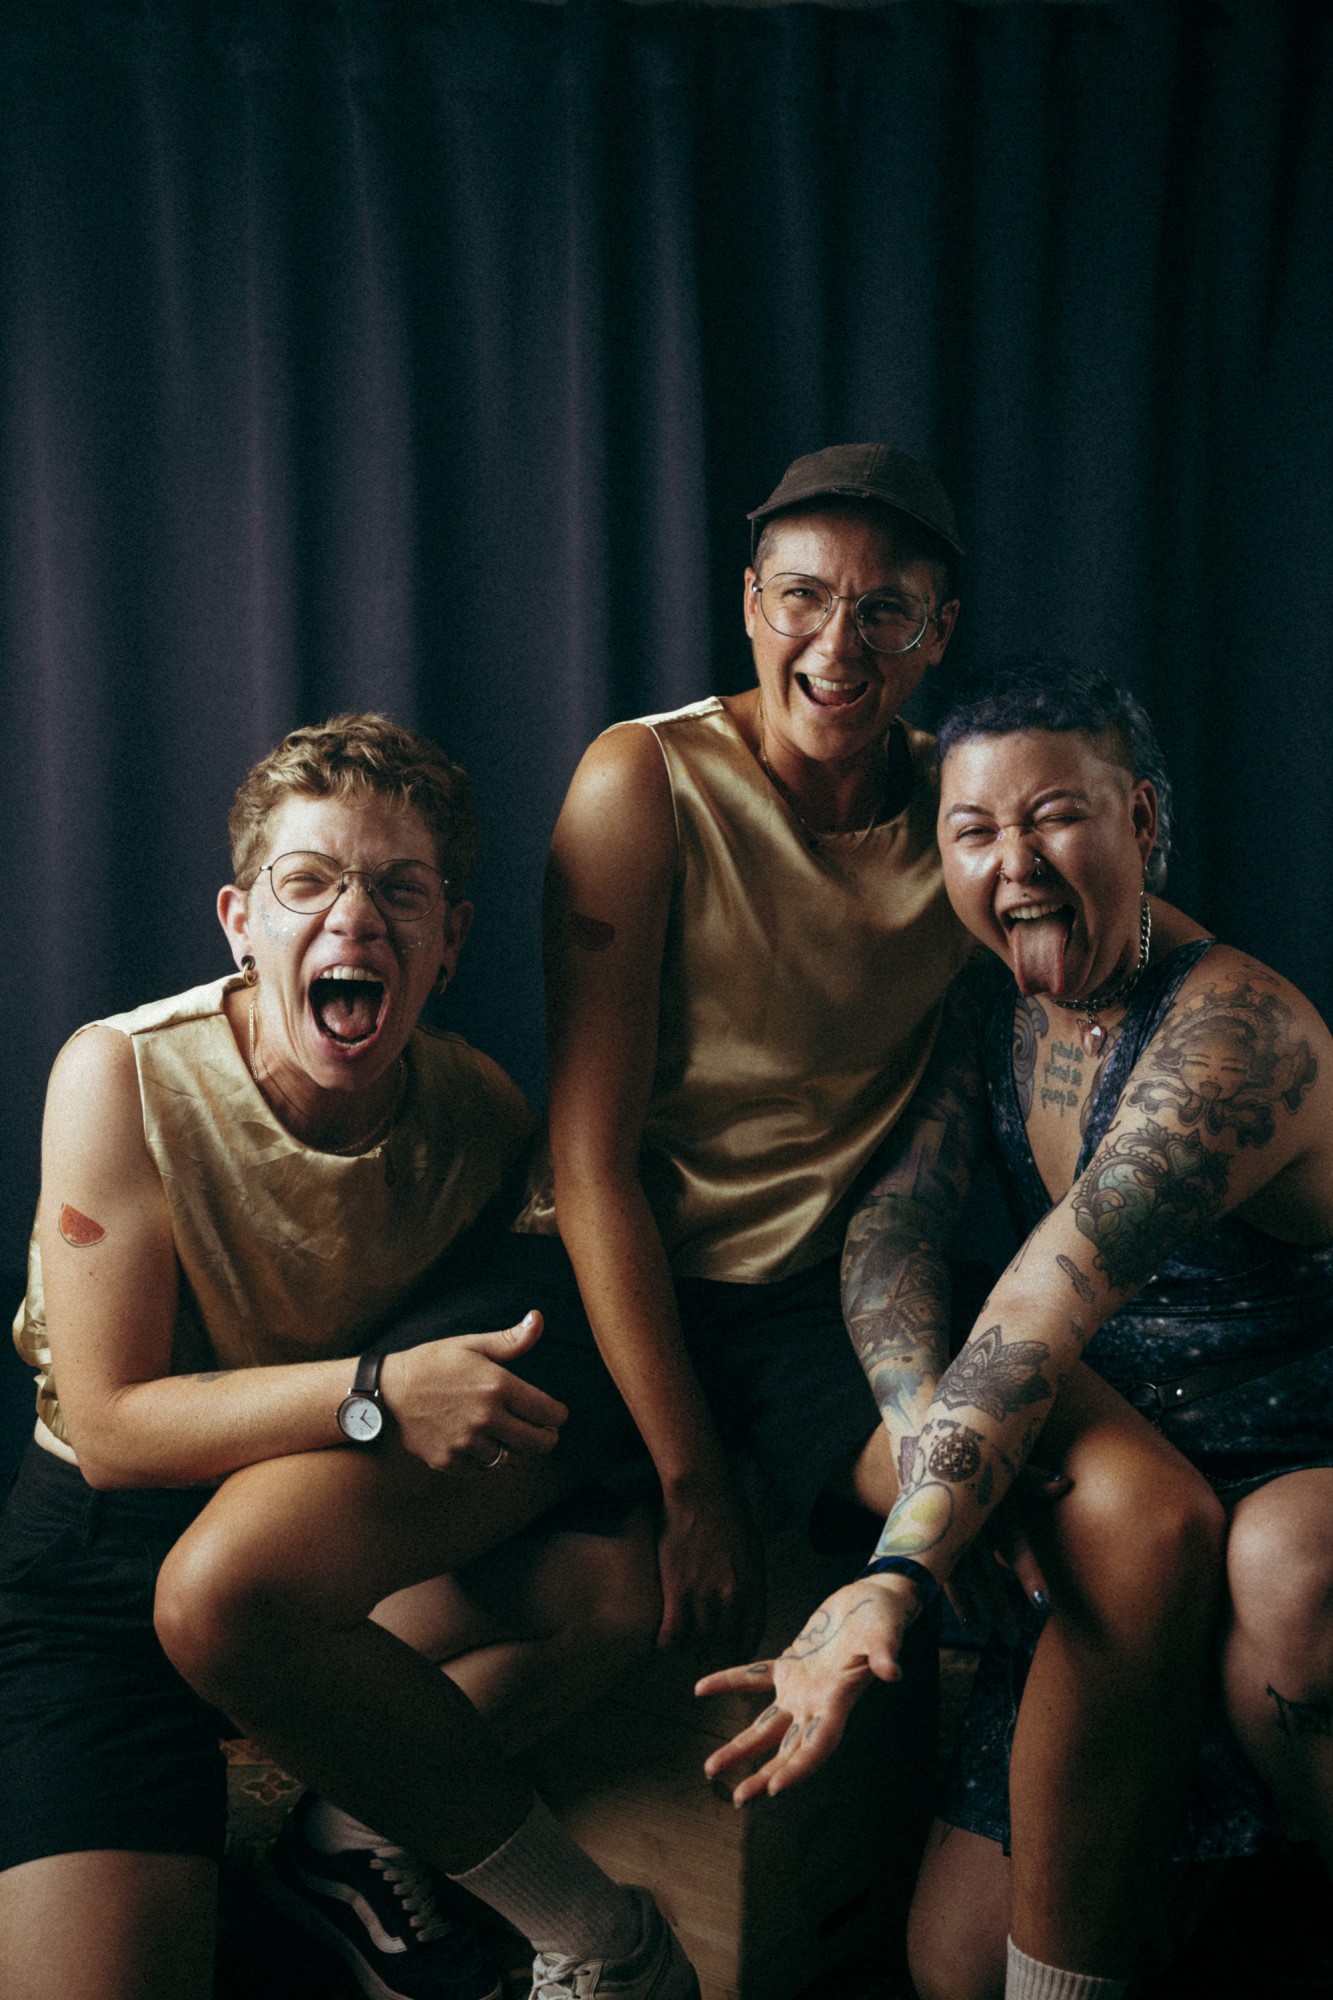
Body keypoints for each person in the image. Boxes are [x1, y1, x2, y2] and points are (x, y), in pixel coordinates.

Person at [0, 713, 694, 2000]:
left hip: (304, 1544)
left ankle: (349, 1838)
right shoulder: (120, 1074)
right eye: (308, 879)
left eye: (399, 889)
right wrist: (374, 1393)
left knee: (611, 1584)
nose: (354, 917)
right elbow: (108, 1427)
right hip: (99, 1569)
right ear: (239, 921)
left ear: (451, 938)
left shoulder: (475, 1107)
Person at [699, 663, 1333, 2000]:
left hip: (1294, 1459)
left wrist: (900, 1569)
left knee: (1286, 1572)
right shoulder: (989, 1006)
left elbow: (1043, 1298)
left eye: (1054, 817)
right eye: (974, 830)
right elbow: (891, 1231)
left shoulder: (1235, 1032)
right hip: (1131, 1484)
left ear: (1142, 820)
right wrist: (926, 1440)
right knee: (953, 1968)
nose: (1015, 863)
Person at [531, 442, 974, 1653]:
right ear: (748, 603)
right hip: (616, 1265)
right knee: (304, 1563)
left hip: (811, 1302)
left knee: (1003, 1500)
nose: (837, 646)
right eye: (802, 597)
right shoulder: (644, 778)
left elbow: (1121, 922)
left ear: (937, 633)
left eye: (885, 611)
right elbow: (589, 1164)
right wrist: (694, 1485)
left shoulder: (964, 803)